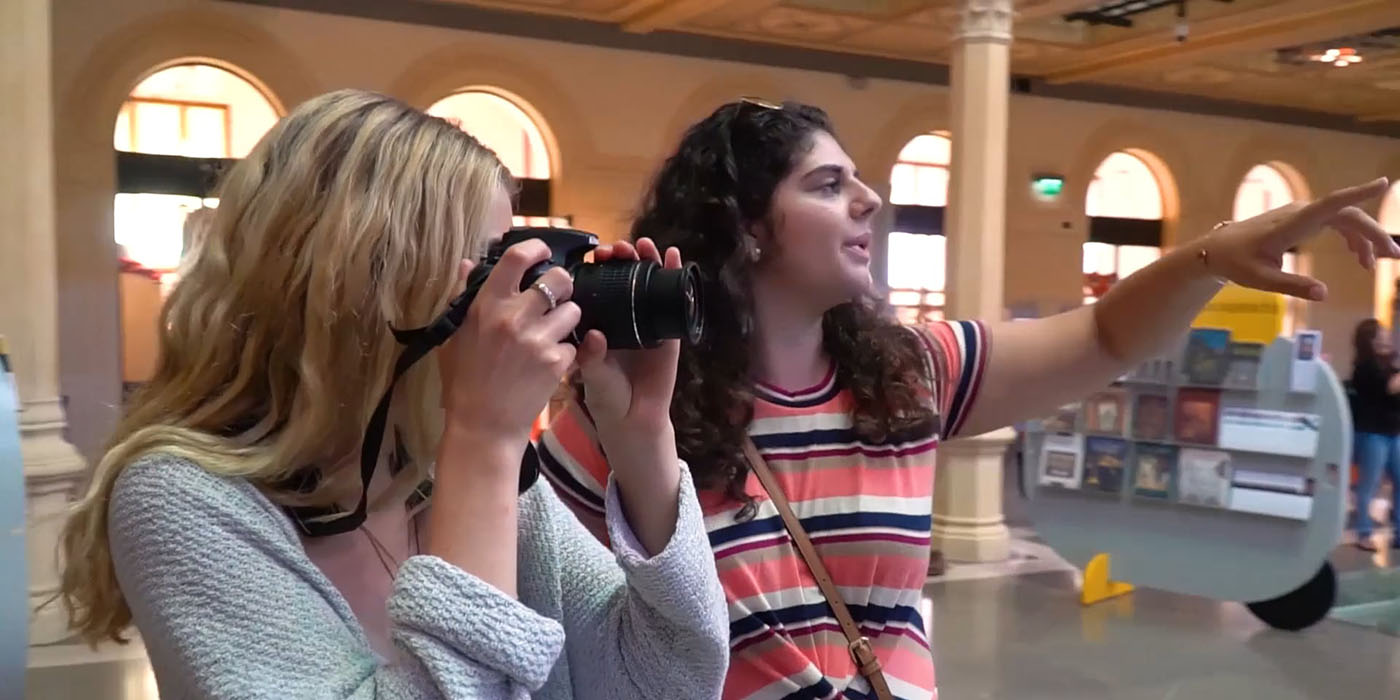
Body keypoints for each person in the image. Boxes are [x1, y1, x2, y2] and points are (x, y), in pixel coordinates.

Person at [536, 98, 1395, 700]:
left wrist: (1208, 257)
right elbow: (574, 642)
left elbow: (1102, 337)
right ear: (748, 228)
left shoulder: (910, 374)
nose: (869, 198)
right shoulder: (626, 414)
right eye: (828, 185)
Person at [52, 89, 728, 699]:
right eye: (492, 266)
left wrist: (642, 440)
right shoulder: (179, 498)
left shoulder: (448, 473)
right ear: (367, 283)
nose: (517, 301)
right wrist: (484, 444)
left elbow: (666, 684)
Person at [1349, 318, 1400, 551]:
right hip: (1372, 433)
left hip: (1393, 431)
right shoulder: (1365, 367)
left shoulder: (1388, 364)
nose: (1388, 335)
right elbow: (1390, 388)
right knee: (1368, 485)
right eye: (1382, 333)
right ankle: (1363, 533)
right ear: (1371, 339)